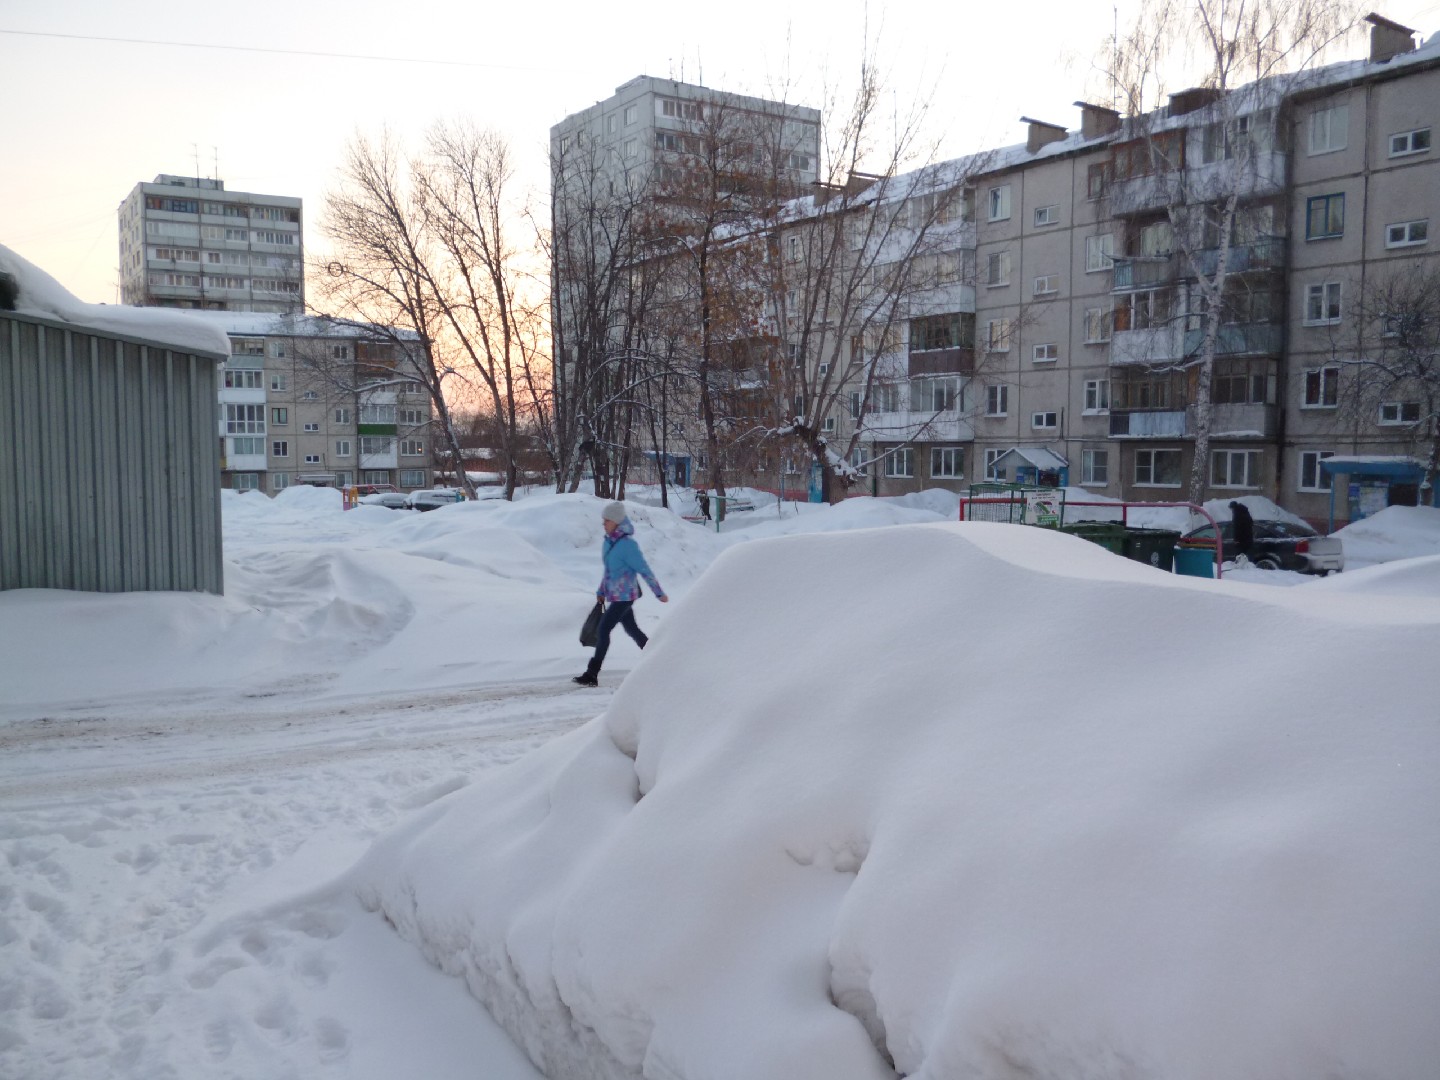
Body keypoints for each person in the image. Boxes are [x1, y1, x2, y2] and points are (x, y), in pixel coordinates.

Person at [573, 501, 668, 686]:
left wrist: (659, 593)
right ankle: (659, 661)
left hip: (625, 597)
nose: (604, 524)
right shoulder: (609, 543)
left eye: (607, 520)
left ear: (616, 521)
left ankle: (592, 673)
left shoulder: (628, 545)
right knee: (632, 630)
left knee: (603, 629)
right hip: (614, 596)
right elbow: (609, 571)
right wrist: (601, 591)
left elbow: (644, 569)